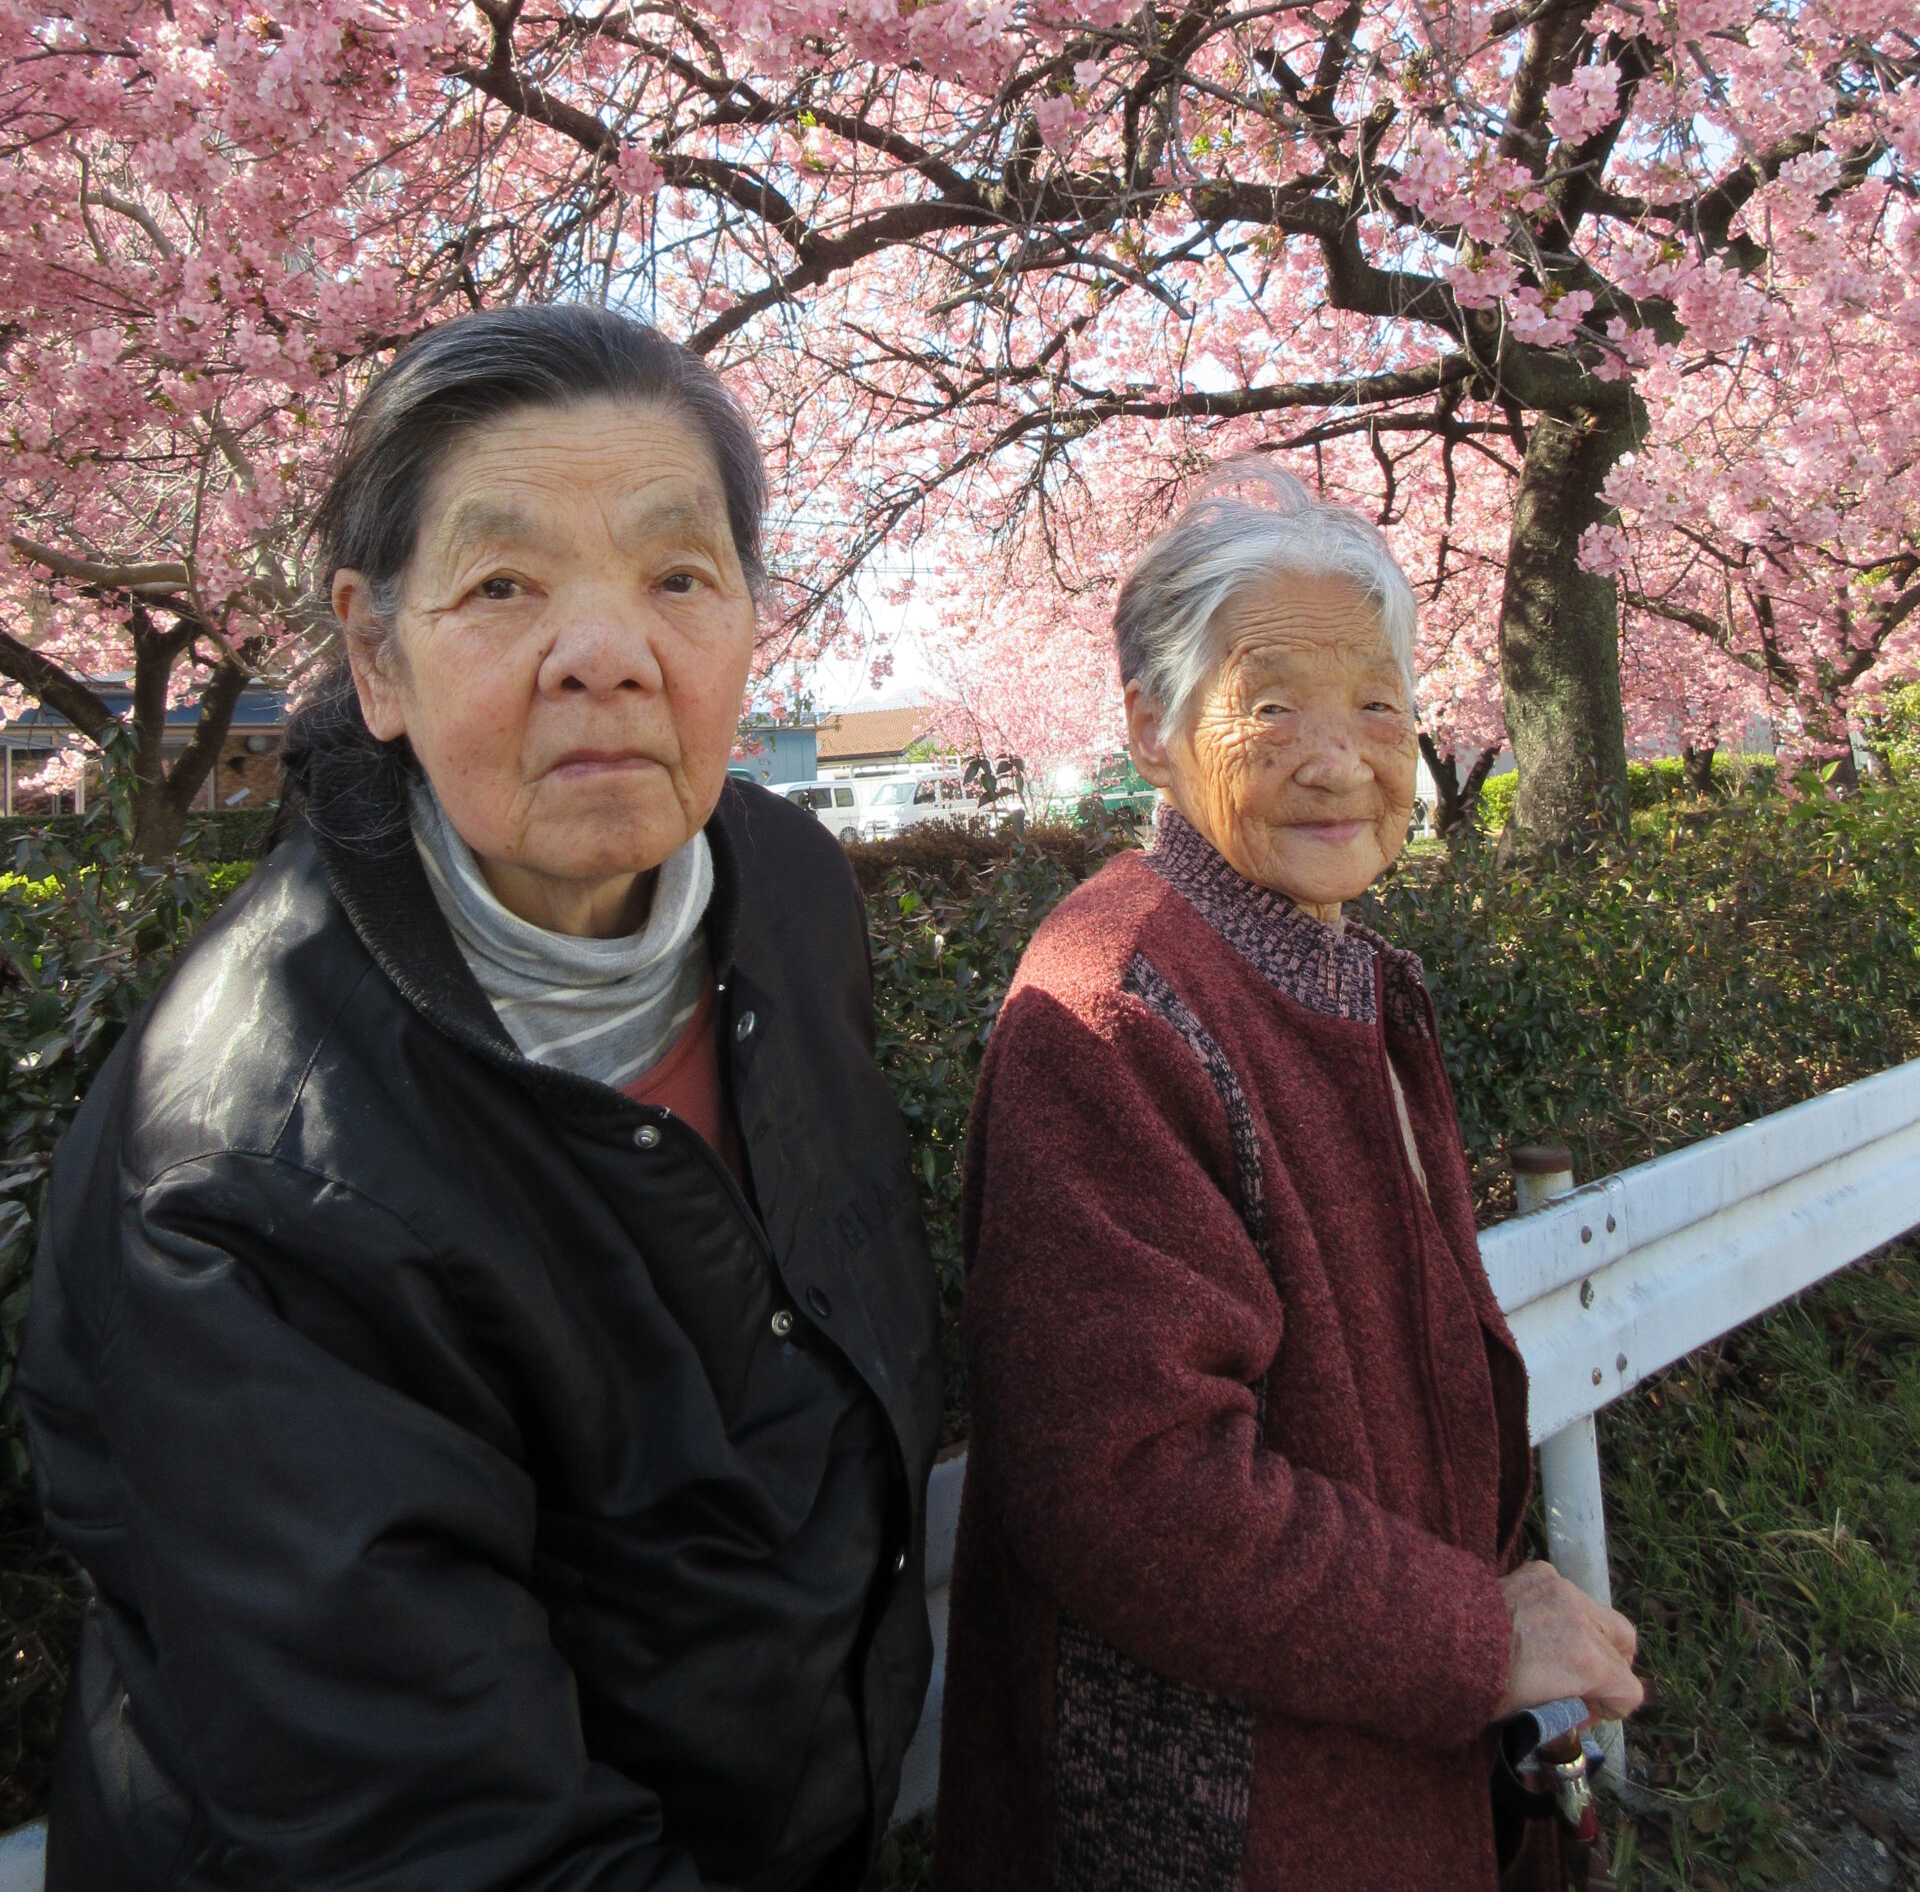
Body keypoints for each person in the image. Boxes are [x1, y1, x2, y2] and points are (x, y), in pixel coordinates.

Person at [20, 307, 943, 1892]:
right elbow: (440, 1834)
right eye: (505, 585)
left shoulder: (783, 889)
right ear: (376, 656)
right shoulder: (247, 1164)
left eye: (678, 576)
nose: (607, 651)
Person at [933, 470, 1642, 1892]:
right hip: (1222, 1815)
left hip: (1374, 1751)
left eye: (1378, 706)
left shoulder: (1325, 961)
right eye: (1270, 708)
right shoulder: (1118, 1003)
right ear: (1152, 727)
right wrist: (1475, 1634)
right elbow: (1134, 1486)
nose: (1340, 762)